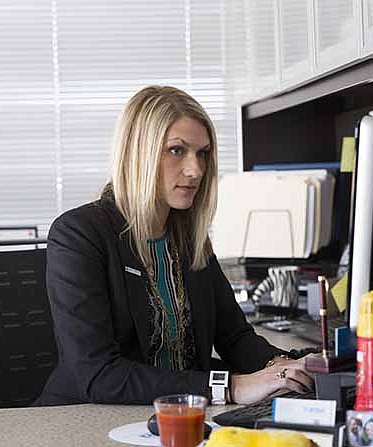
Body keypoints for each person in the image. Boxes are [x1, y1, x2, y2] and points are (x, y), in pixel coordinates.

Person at [36, 85, 315, 406]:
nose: (195, 169)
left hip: (178, 415)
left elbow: (234, 337)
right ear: (137, 153)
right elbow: (100, 375)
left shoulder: (188, 239)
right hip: (84, 420)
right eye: (177, 150)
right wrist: (231, 387)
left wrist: (284, 367)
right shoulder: (79, 235)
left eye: (203, 153)